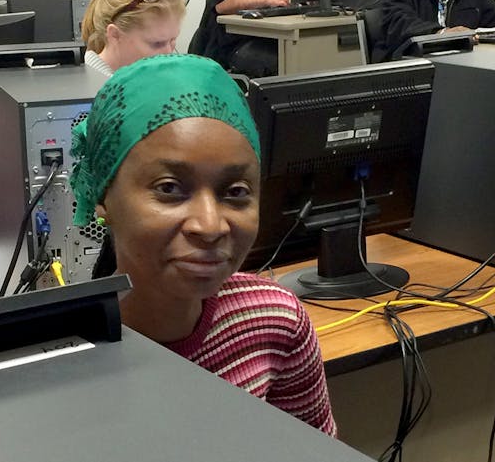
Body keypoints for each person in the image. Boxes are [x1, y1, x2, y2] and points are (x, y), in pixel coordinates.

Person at [70, 54, 336, 435]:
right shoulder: (58, 355)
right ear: (102, 195)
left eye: (236, 192)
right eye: (169, 189)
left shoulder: (273, 321)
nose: (210, 226)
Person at [79, 0, 186, 77]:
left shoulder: (141, 79)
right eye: (157, 44)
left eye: (173, 40)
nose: (169, 56)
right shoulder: (95, 91)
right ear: (115, 35)